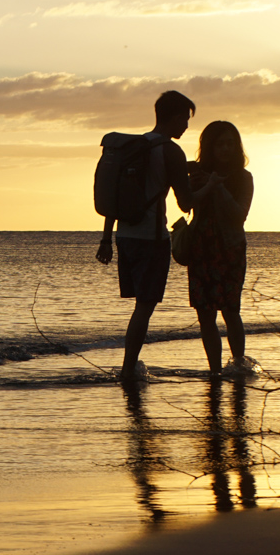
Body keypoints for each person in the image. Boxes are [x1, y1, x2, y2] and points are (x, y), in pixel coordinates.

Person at [96, 90, 207, 381]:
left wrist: (106, 239)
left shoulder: (136, 147)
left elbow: (119, 197)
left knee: (140, 307)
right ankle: (127, 369)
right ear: (172, 117)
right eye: (184, 119)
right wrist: (211, 185)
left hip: (125, 236)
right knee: (144, 308)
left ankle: (129, 367)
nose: (186, 126)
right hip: (152, 239)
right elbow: (186, 203)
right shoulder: (170, 151)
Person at [186, 120, 256, 376]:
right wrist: (203, 184)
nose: (225, 149)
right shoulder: (197, 175)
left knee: (230, 310)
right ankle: (214, 371)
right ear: (209, 147)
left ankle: (238, 365)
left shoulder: (243, 178)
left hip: (230, 248)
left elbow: (239, 215)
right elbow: (186, 205)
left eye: (230, 143)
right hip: (201, 248)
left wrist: (218, 187)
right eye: (219, 144)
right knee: (205, 314)